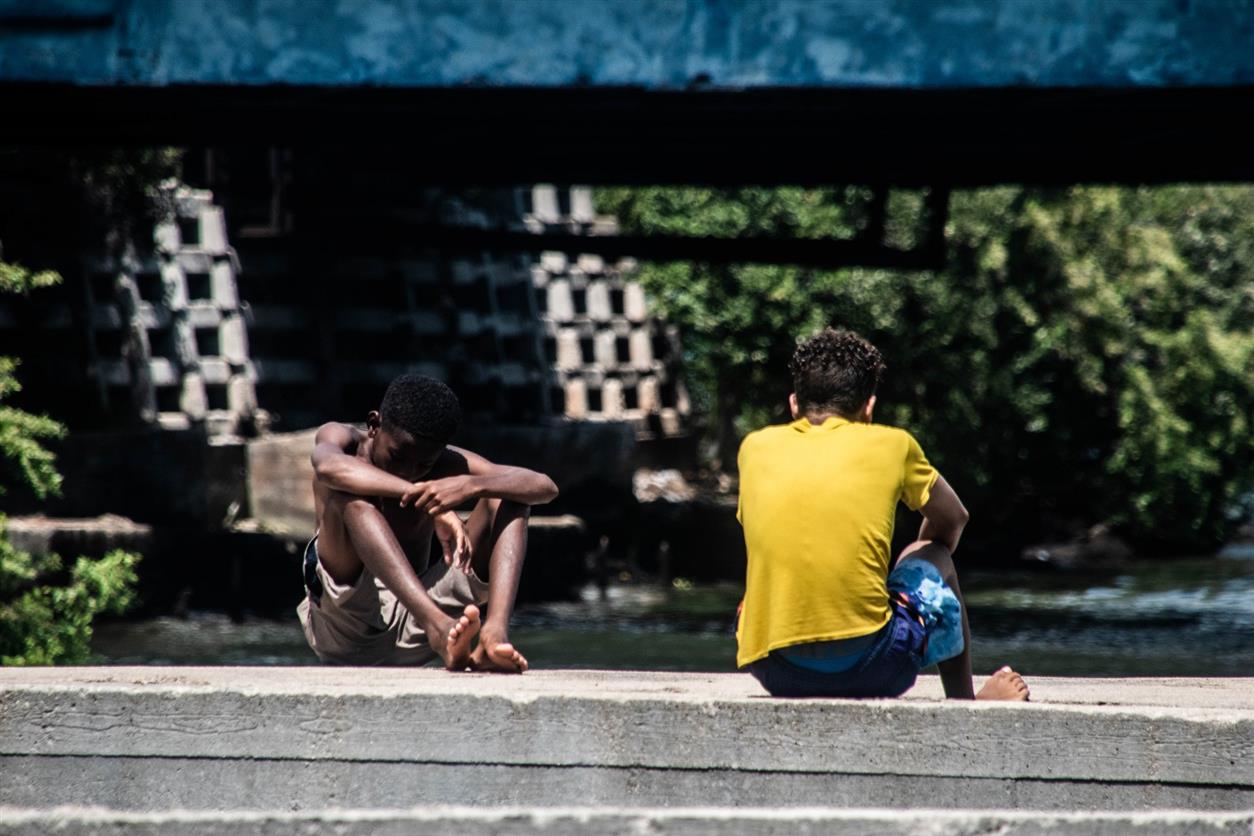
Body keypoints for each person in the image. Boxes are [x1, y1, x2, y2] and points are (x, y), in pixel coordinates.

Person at [735, 328, 1029, 700]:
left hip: (775, 670)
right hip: (875, 667)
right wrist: (920, 561)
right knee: (930, 553)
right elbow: (954, 518)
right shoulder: (894, 445)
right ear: (869, 408)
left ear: (794, 404)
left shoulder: (753, 449)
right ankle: (964, 702)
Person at [297, 374, 558, 671]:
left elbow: (544, 486)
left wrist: (472, 486)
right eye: (398, 456)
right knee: (351, 499)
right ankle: (437, 627)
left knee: (504, 495)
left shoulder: (447, 463)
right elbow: (327, 467)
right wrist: (429, 502)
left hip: (419, 625)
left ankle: (493, 635)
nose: (409, 472)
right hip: (346, 629)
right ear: (373, 425)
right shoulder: (342, 441)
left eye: (424, 465)